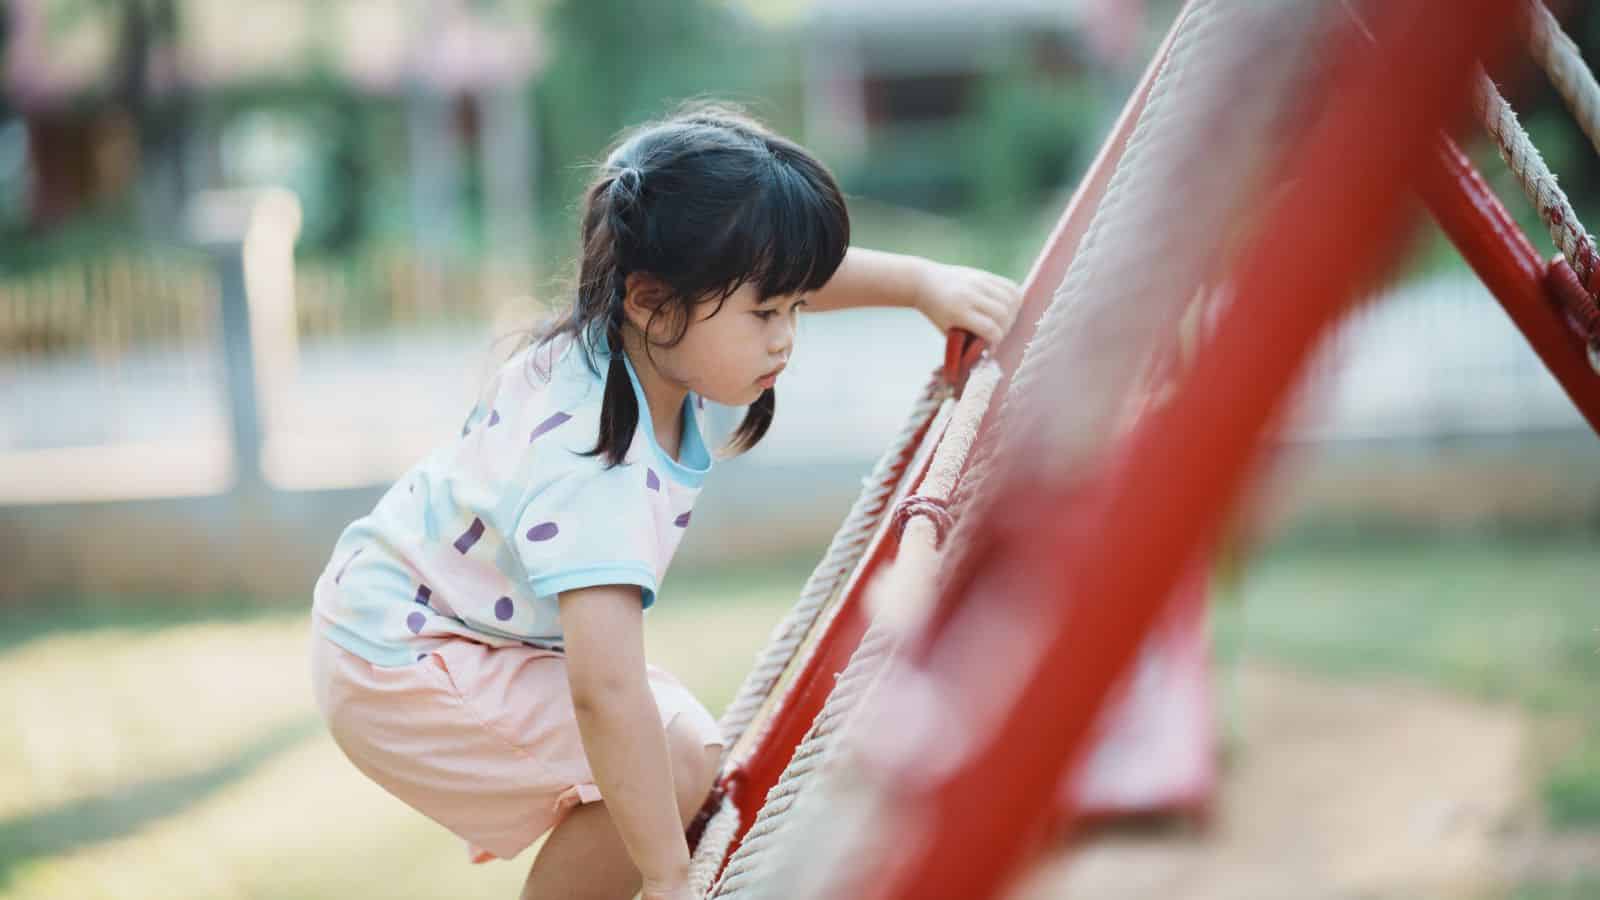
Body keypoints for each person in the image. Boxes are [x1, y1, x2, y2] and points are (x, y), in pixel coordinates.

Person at [308, 102, 1023, 900]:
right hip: (399, 662)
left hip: (419, 617)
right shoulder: (594, 465)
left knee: (682, 749)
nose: (786, 335)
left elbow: (781, 270)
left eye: (793, 308)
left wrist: (924, 284)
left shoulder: (639, 336)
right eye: (766, 313)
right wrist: (667, 875)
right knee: (667, 760)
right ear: (652, 299)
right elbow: (603, 692)